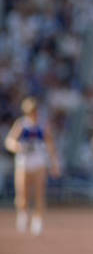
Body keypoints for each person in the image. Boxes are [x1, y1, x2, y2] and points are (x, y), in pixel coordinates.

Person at [4, 97, 60, 236]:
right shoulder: (22, 125)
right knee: (22, 194)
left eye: (35, 111)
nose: (34, 114)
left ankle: (38, 220)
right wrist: (18, 146)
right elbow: (9, 141)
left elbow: (50, 145)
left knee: (39, 193)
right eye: (31, 112)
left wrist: (54, 164)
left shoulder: (42, 126)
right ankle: (23, 214)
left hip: (38, 163)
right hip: (23, 163)